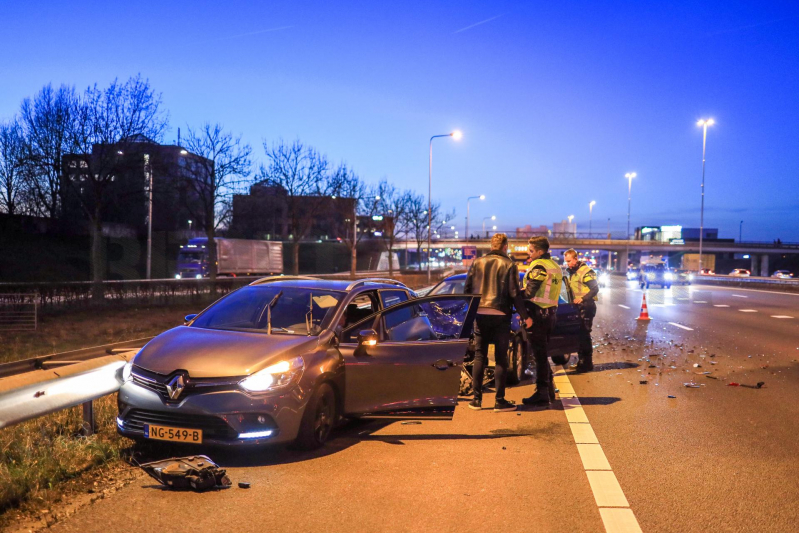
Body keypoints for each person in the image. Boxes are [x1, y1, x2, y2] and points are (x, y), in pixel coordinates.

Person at [464, 233, 532, 412]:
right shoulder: (509, 264)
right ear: (505, 246)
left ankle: (476, 401)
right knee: (501, 358)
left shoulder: (477, 263)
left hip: (480, 313)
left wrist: (471, 312)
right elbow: (514, 293)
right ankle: (499, 401)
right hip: (500, 314)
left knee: (480, 356)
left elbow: (467, 290)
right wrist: (525, 316)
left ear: (491, 246)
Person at [521, 236, 564, 406]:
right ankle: (549, 388)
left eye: (531, 250)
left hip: (538, 315)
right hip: (551, 314)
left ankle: (542, 393)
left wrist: (514, 295)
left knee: (538, 356)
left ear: (540, 251)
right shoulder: (555, 265)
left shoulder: (539, 266)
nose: (528, 253)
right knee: (542, 354)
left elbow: (530, 292)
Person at [563, 248, 599, 372]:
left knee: (584, 334)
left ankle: (587, 363)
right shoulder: (572, 272)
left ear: (576, 259)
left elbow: (594, 289)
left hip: (587, 306)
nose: (567, 264)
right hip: (578, 307)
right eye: (566, 262)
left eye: (569, 261)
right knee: (580, 335)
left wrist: (582, 299)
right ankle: (581, 362)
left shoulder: (586, 272)